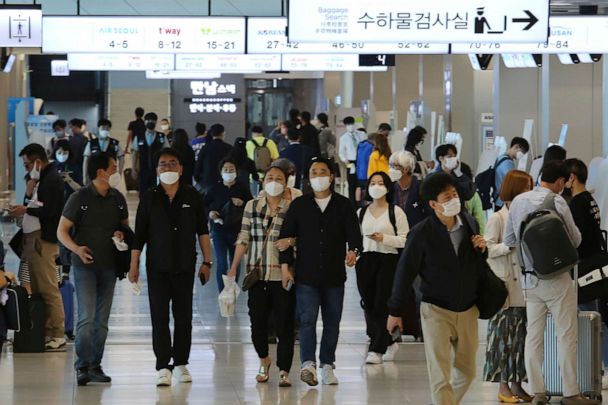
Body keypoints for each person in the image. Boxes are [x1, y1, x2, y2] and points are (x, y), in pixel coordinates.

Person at [386, 172, 488, 405]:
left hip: (468, 308)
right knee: (440, 376)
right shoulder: (421, 233)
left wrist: (482, 249)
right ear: (433, 204)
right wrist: (395, 310)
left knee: (468, 371)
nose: (453, 199)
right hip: (436, 310)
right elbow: (405, 272)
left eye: (454, 194)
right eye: (446, 197)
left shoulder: (469, 223)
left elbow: (475, 264)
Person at [504, 161, 599, 405]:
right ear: (559, 182)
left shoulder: (518, 202)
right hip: (558, 279)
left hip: (530, 280)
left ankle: (538, 392)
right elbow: (576, 239)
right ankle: (571, 393)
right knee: (566, 335)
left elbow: (509, 239)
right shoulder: (557, 202)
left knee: (534, 336)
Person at [129, 148, 213, 386]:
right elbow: (139, 236)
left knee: (184, 318)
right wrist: (133, 266)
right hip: (157, 267)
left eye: (172, 163)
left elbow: (203, 232)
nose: (168, 168)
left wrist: (207, 262)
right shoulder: (149, 197)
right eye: (163, 164)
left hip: (185, 266)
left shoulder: (192, 196)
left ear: (181, 168)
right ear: (157, 170)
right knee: (159, 318)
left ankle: (181, 364)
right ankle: (163, 366)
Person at [279, 157, 363, 386]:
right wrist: (285, 267)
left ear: (332, 176)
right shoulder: (299, 205)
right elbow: (284, 238)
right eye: (314, 172)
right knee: (307, 320)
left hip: (334, 275)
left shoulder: (344, 205)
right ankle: (308, 364)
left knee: (332, 321)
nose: (318, 176)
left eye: (323, 171)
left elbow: (355, 236)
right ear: (309, 177)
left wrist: (354, 251)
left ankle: (327, 364)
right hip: (305, 275)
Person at [57, 152, 129, 386]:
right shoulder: (79, 198)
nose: (117, 172)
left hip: (109, 267)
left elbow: (125, 228)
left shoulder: (117, 198)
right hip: (84, 267)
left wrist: (121, 234)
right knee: (86, 318)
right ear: (101, 172)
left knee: (102, 321)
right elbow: (62, 231)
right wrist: (76, 249)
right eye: (114, 167)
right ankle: (82, 366)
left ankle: (95, 365)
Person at [228, 165, 300, 387]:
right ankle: (264, 360)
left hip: (283, 274)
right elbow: (244, 236)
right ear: (263, 181)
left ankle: (284, 370)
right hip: (257, 274)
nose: (274, 181)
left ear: (286, 183)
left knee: (284, 325)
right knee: (257, 323)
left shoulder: (293, 208)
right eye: (270, 177)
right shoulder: (252, 205)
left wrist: (291, 242)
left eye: (279, 178)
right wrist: (233, 269)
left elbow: (300, 236)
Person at [483, 170, 534, 403]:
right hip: (504, 287)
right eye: (526, 188)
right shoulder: (497, 218)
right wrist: (507, 246)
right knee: (503, 339)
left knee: (522, 338)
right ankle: (503, 386)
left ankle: (517, 383)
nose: (529, 193)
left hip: (525, 287)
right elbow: (487, 249)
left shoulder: (527, 217)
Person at [9, 143, 66, 351]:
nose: (26, 169)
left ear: (38, 162)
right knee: (37, 288)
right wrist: (28, 191)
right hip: (31, 240)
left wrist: (25, 208)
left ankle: (57, 333)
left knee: (49, 288)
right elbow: (32, 205)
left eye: (27, 165)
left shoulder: (52, 180)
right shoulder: (37, 180)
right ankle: (45, 330)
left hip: (43, 240)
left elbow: (51, 210)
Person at [564, 158, 608, 388]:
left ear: (571, 178)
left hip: (585, 266)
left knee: (590, 318)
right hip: (595, 263)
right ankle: (600, 365)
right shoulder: (590, 199)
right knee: (597, 317)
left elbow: (576, 239)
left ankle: (597, 366)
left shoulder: (577, 204)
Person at [357, 171, 408, 365]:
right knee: (368, 303)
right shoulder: (361, 212)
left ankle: (376, 349)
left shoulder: (396, 212)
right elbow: (355, 238)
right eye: (373, 183)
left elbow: (405, 239)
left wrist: (384, 239)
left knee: (381, 304)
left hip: (388, 260)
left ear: (387, 187)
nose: (376, 186)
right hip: (365, 261)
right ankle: (389, 340)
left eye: (380, 183)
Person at [205, 157, 252, 292]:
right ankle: (222, 293)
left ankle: (231, 291)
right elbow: (204, 204)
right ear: (221, 172)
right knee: (221, 262)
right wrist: (211, 213)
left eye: (231, 169)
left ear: (236, 172)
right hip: (219, 230)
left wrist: (242, 204)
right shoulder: (215, 188)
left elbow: (251, 207)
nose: (229, 172)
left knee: (235, 263)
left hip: (237, 231)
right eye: (226, 169)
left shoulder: (243, 188)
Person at [389, 151, 428, 228]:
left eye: (394, 166)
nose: (390, 169)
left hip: (417, 232)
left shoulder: (422, 187)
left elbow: (428, 213)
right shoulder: (390, 188)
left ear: (406, 169)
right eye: (390, 166)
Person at [132, 112, 167, 198]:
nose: (150, 122)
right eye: (148, 120)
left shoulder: (161, 137)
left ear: (156, 122)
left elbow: (167, 152)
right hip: (143, 170)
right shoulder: (139, 136)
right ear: (145, 122)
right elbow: (135, 153)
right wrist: (133, 168)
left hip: (157, 170)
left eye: (153, 120)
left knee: (157, 193)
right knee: (143, 193)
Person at [194, 123, 233, 195]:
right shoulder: (229, 148)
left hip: (207, 181)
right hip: (225, 181)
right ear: (223, 133)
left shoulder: (205, 148)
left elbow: (198, 165)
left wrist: (199, 179)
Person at [493, 137, 530, 211]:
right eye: (522, 152)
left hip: (498, 199)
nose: (522, 155)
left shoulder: (501, 157)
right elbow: (514, 182)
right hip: (502, 201)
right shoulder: (507, 163)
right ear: (516, 147)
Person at [83, 119, 125, 184]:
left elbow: (121, 158)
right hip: (94, 174)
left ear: (110, 129)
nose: (105, 130)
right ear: (98, 128)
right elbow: (86, 160)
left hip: (110, 174)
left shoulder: (115, 143)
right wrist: (85, 176)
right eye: (103, 128)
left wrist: (119, 173)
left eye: (107, 128)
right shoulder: (91, 143)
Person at [339, 117, 366, 204]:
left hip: (361, 161)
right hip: (351, 162)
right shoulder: (343, 138)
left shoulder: (361, 134)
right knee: (352, 184)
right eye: (348, 124)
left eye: (352, 124)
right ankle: (352, 204)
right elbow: (341, 152)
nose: (350, 126)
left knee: (362, 183)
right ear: (345, 126)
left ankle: (362, 202)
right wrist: (345, 160)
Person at [355, 132, 375, 206]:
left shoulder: (360, 145)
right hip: (367, 171)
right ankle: (366, 204)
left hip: (359, 171)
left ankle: (358, 204)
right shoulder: (371, 146)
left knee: (359, 187)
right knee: (367, 188)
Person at [68, 118, 88, 185]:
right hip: (81, 167)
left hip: (74, 167)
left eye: (71, 127)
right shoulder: (85, 139)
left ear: (76, 127)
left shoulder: (72, 140)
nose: (70, 129)